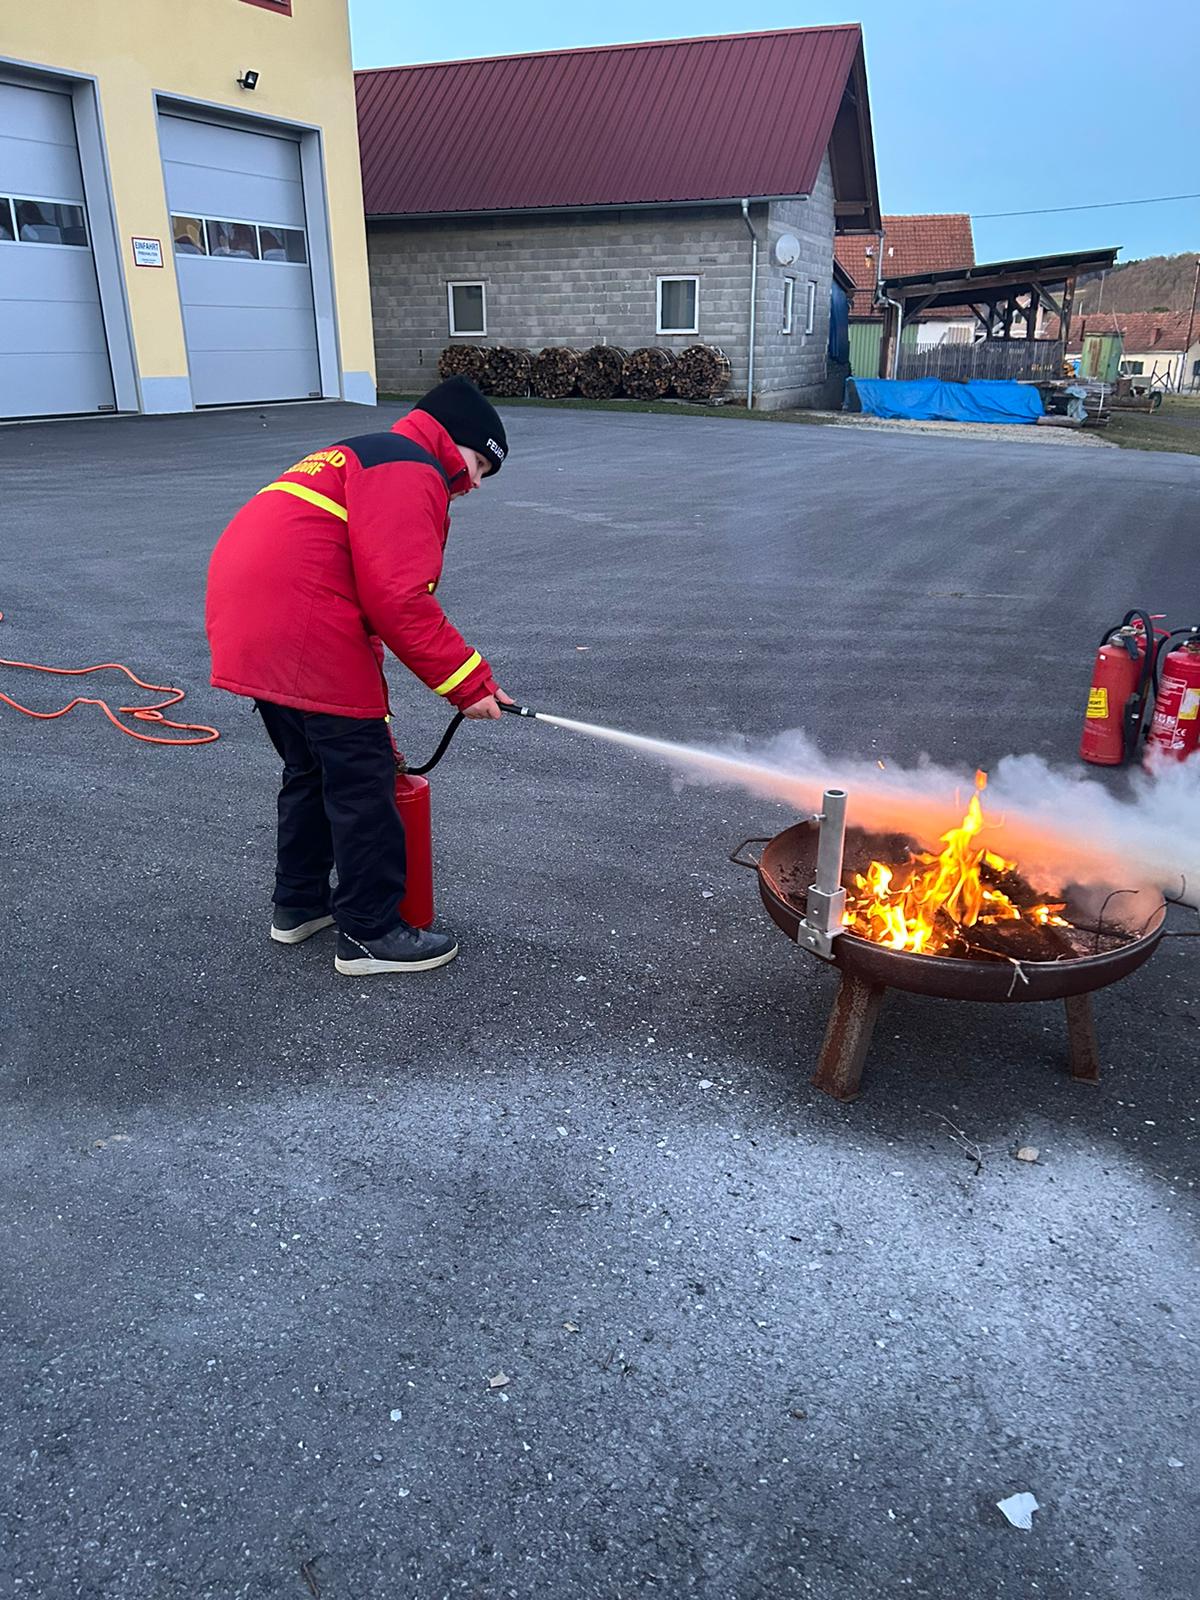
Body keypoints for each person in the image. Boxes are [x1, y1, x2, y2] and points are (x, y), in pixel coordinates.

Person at [205, 377, 512, 976]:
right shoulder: (408, 466)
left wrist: (384, 729)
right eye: (478, 465)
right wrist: (469, 684)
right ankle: (371, 934)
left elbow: (363, 606)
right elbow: (398, 598)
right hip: (302, 629)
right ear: (454, 442)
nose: (473, 484)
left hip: (254, 628)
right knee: (362, 787)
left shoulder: (361, 453)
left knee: (313, 770)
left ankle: (299, 907)